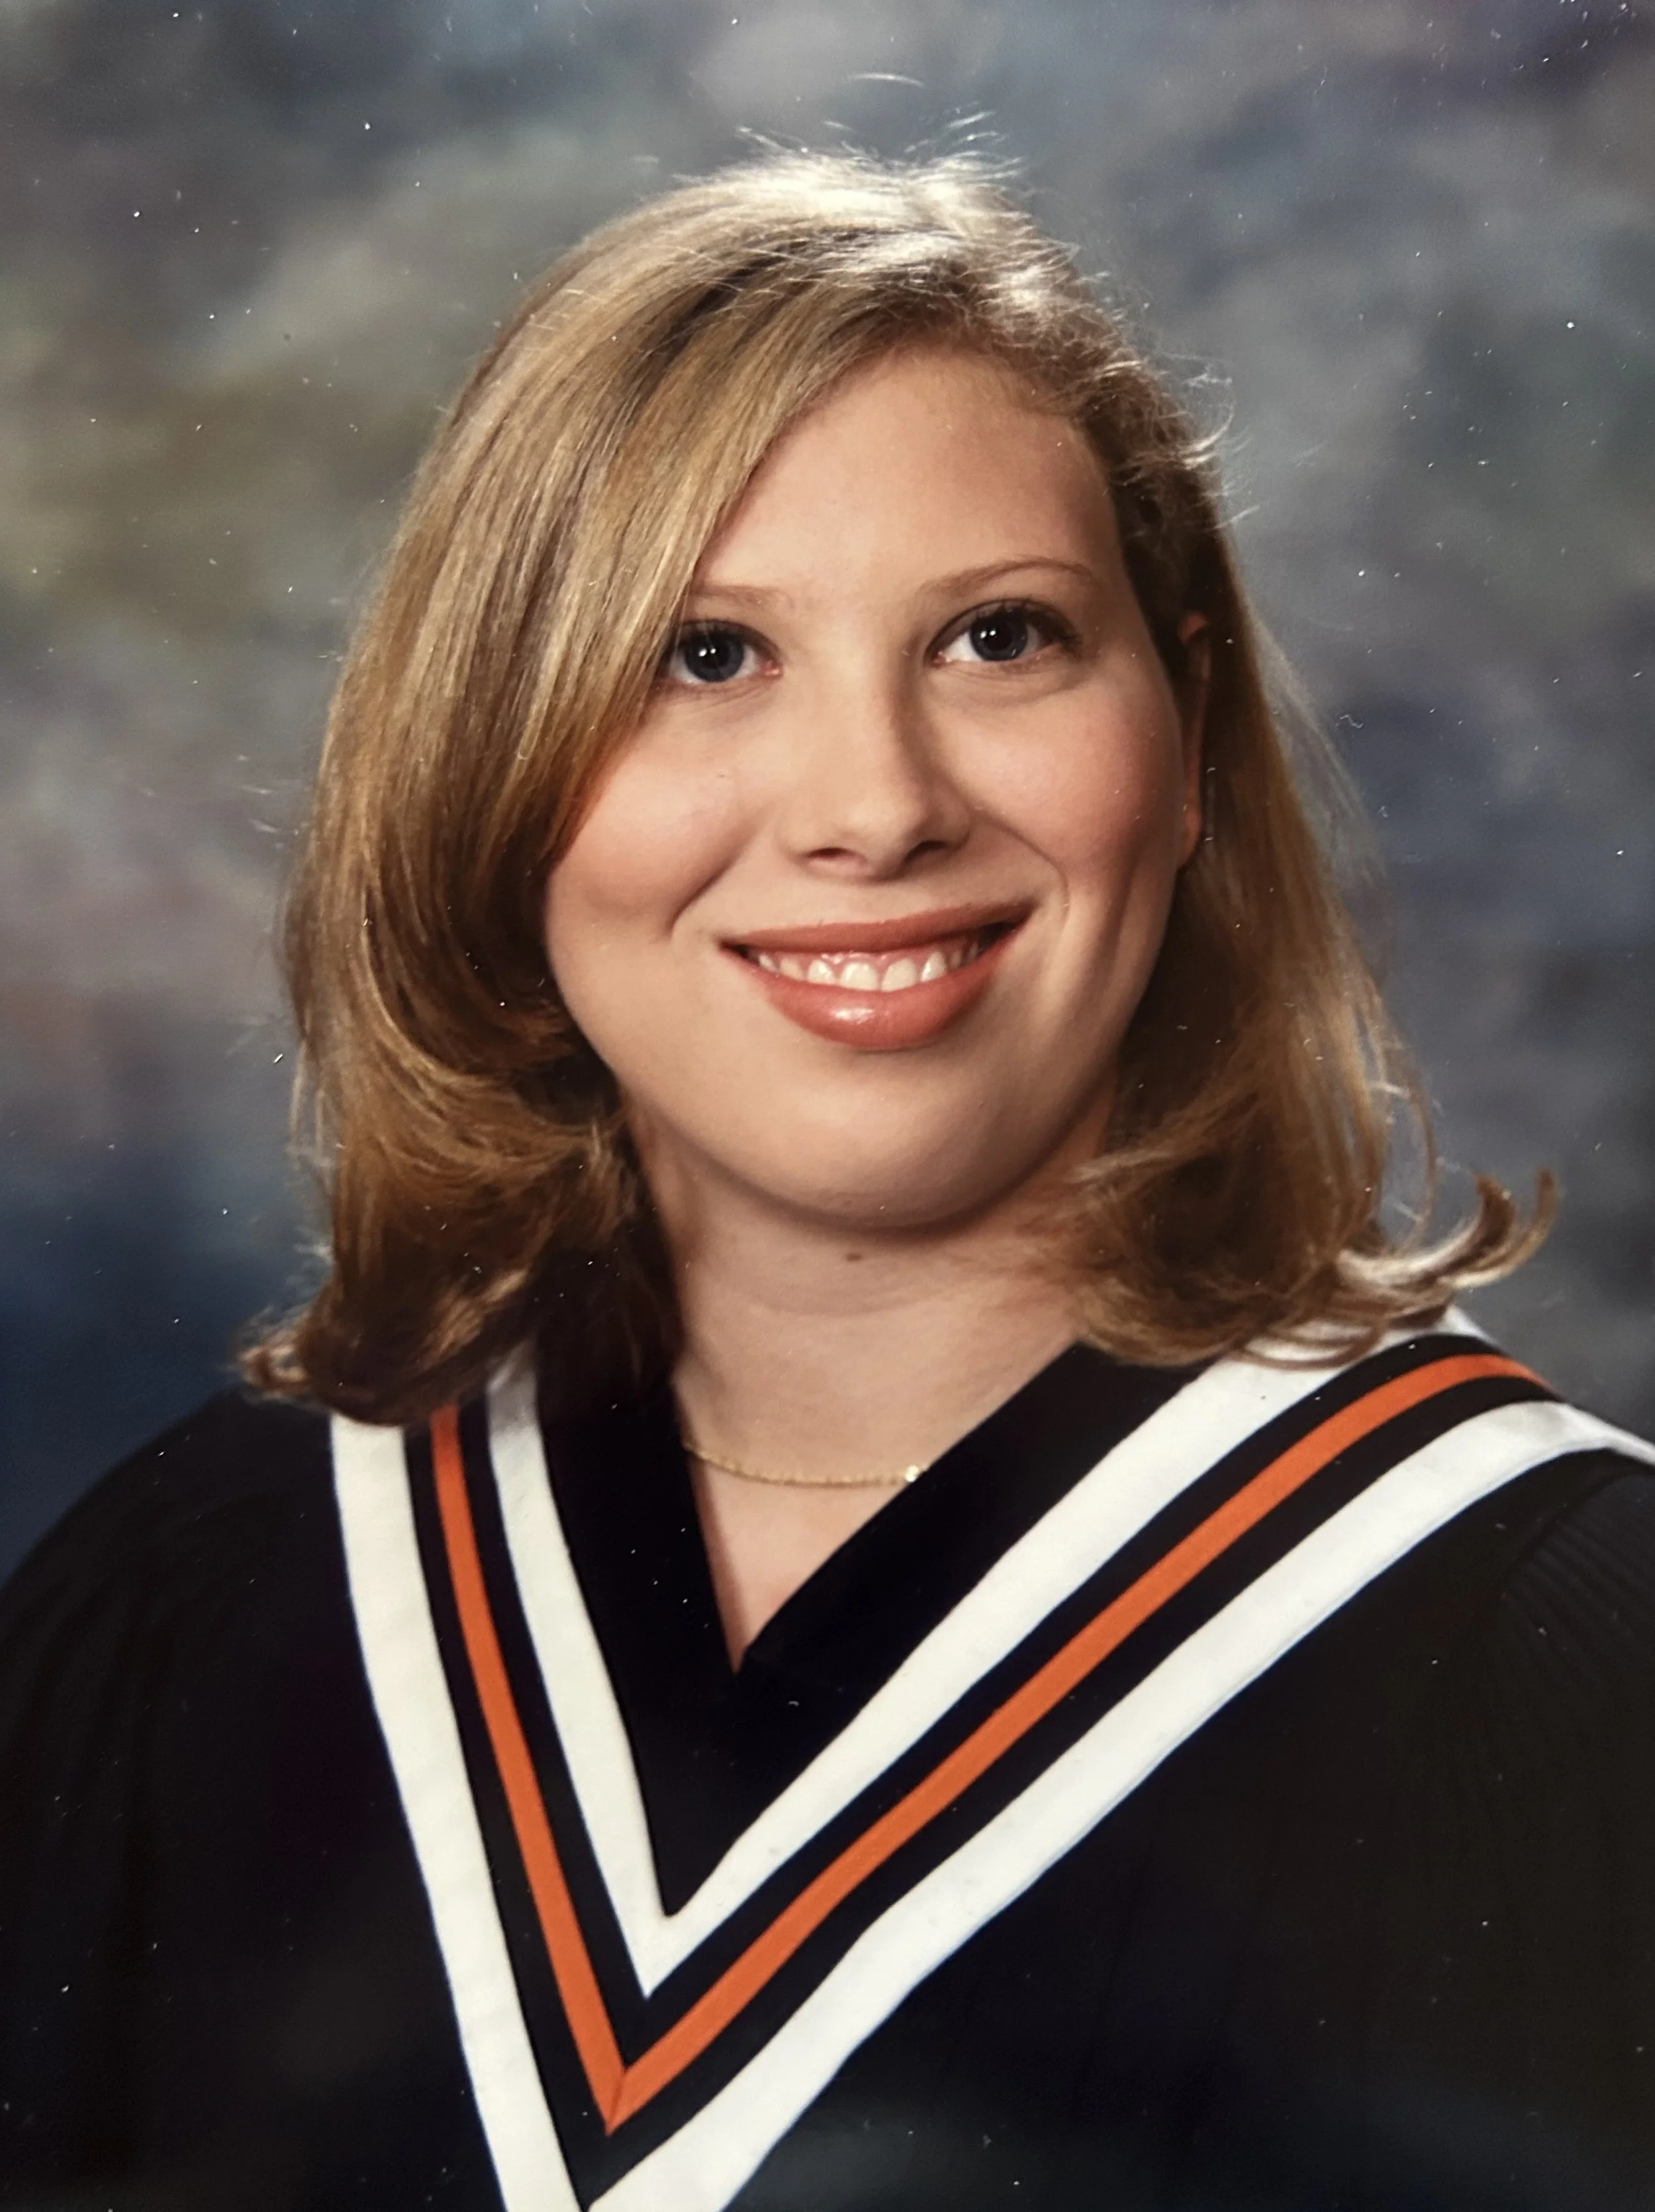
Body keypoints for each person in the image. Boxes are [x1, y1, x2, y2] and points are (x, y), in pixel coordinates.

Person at [1, 150, 1651, 2212]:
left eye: (997, 637)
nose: (872, 806)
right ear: (490, 757)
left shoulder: (1564, 1653)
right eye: (702, 655)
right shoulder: (192, 1601)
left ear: (1189, 719)